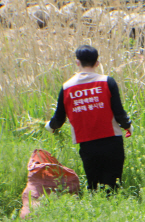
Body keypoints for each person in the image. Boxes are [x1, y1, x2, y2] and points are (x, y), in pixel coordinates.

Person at [45, 45, 132, 191]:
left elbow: (59, 119)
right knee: (113, 185)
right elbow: (119, 113)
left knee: (94, 185)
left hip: (87, 144)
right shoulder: (107, 82)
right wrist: (128, 126)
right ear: (97, 63)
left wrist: (50, 126)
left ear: (77, 62)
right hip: (112, 140)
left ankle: (97, 211)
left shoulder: (67, 87)